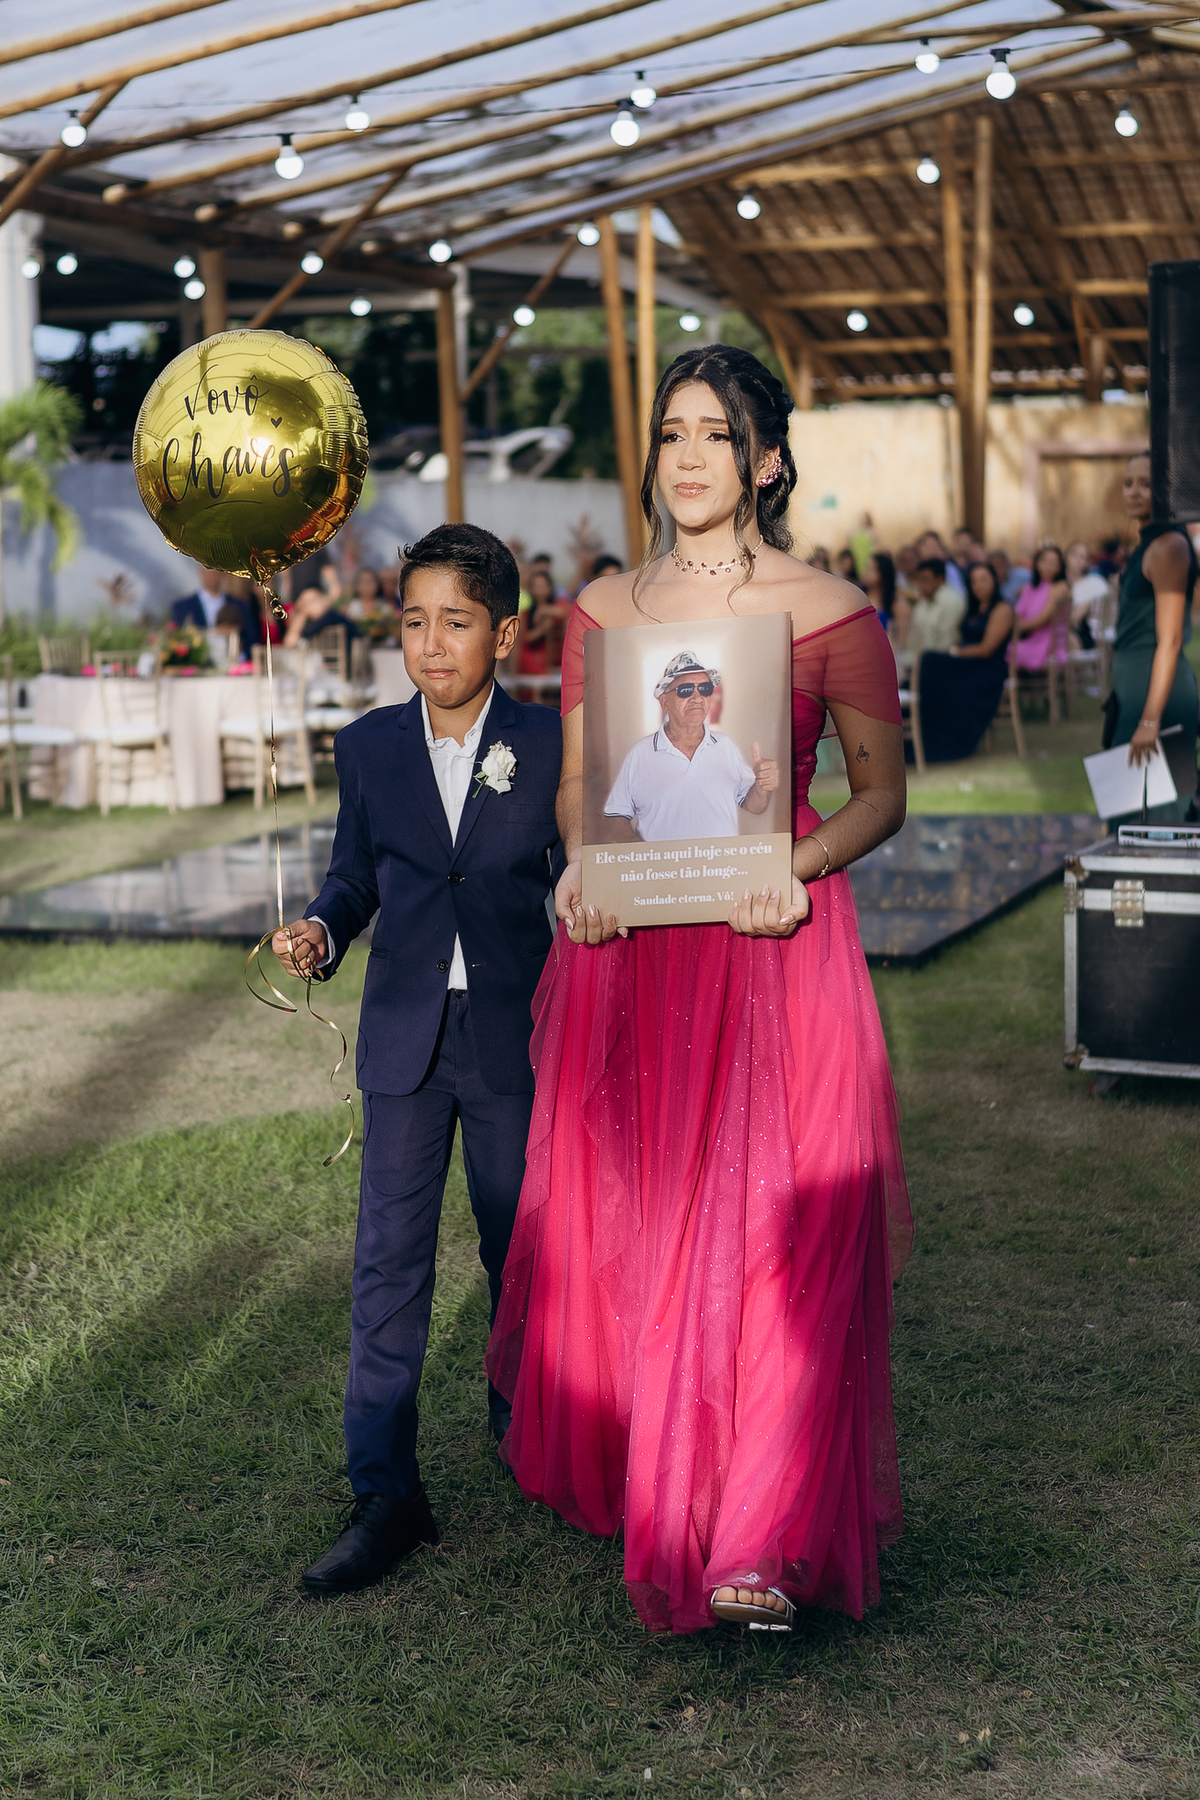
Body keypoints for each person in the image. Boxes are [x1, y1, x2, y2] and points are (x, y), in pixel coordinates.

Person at [487, 343, 913, 1636]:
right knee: (655, 1219)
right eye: (671, 432)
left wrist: (804, 859)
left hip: (776, 948)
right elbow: (580, 783)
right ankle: (673, 1478)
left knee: (779, 1233)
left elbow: (883, 794)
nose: (687, 456)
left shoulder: (833, 615)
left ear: (767, 458)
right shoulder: (607, 614)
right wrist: (576, 869)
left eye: (715, 434)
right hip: (637, 958)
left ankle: (763, 1537)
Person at [270, 524, 563, 1596]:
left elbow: (577, 879)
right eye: (413, 621)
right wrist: (321, 928)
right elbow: (356, 878)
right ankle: (385, 1492)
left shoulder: (555, 746)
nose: (431, 645)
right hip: (402, 1041)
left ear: (506, 631)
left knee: (519, 1254)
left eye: (456, 622)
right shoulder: (371, 749)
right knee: (387, 1268)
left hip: (510, 1041)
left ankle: (536, 1438)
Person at [603, 652, 779, 841]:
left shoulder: (726, 746)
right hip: (662, 869)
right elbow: (616, 815)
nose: (697, 697)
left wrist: (762, 786)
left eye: (704, 688)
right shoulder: (640, 753)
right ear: (664, 702)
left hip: (721, 867)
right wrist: (642, 856)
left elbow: (753, 806)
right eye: (685, 690)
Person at [1111, 450, 1198, 823]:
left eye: (1146, 484)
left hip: (1159, 702)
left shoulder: (1168, 547)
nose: (1134, 492)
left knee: (1162, 820)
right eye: (1129, 483)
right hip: (1135, 698)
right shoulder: (1146, 544)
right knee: (1124, 814)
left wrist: (1150, 721)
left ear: (1168, 491)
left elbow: (1171, 639)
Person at [916, 560, 1015, 764]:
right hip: (968, 664)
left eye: (983, 579)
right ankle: (925, 738)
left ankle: (945, 743)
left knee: (931, 662)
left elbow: (987, 649)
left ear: (994, 581)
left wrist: (953, 653)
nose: (978, 585)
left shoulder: (1002, 609)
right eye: (973, 581)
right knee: (930, 663)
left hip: (988, 668)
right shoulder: (974, 609)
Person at [169, 565, 256, 659]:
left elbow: (251, 639)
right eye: (208, 573)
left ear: (223, 575)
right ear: (201, 573)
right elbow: (178, 640)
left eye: (216, 573)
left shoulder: (239, 605)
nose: (212, 577)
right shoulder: (183, 607)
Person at [1013, 545, 1070, 675]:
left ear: (1060, 567)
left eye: (1053, 563)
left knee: (1006, 648)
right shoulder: (1029, 588)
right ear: (1037, 563)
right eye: (1044, 561)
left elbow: (1042, 620)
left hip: (1049, 642)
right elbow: (1018, 613)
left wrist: (1012, 628)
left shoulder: (1059, 588)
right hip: (1028, 636)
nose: (1048, 566)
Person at [907, 557, 965, 658]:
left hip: (942, 661)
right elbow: (914, 637)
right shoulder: (923, 601)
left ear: (940, 579)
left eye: (925, 580)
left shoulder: (951, 601)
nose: (921, 585)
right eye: (919, 580)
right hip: (920, 660)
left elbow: (947, 642)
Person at [282, 585, 361, 649]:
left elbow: (294, 640)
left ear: (324, 599)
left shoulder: (330, 617)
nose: (308, 606)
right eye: (305, 603)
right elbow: (289, 642)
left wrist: (302, 614)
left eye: (312, 601)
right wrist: (301, 614)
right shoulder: (313, 622)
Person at [1065, 540, 1108, 649]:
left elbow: (1075, 619)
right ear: (1065, 557)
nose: (1078, 560)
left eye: (1083, 557)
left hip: (1081, 632)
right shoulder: (1058, 584)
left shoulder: (1093, 583)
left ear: (1088, 562)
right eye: (1074, 554)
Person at [862, 551, 896, 629]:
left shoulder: (895, 603)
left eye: (871, 569)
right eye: (866, 568)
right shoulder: (858, 597)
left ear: (883, 572)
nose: (866, 572)